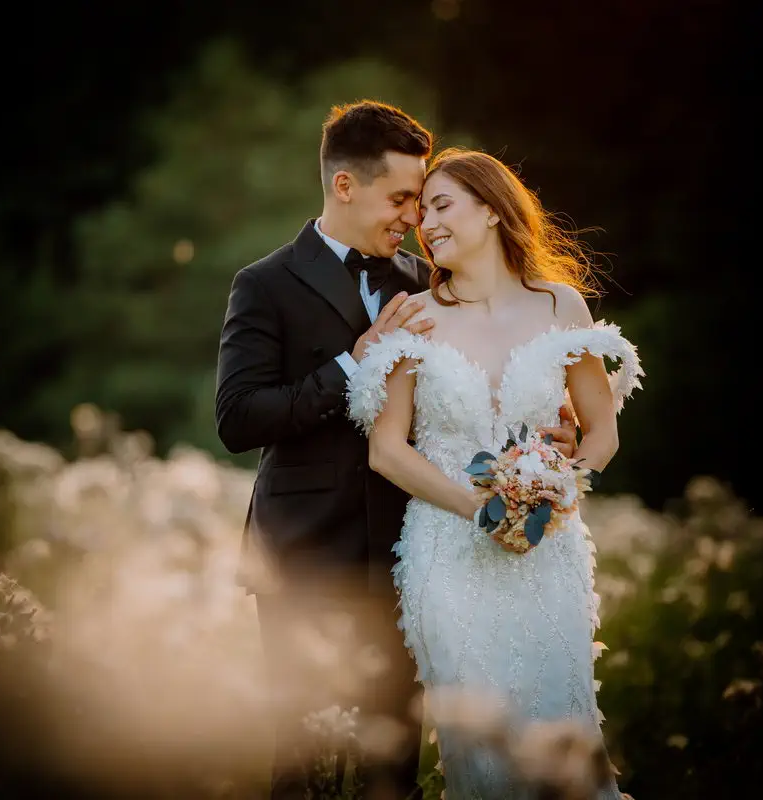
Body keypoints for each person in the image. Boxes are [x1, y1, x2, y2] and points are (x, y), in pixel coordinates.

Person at [215, 103, 579, 799]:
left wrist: (549, 434)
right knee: (303, 763)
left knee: (394, 768)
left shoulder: (426, 282)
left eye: (421, 201)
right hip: (303, 557)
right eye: (402, 198)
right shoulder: (264, 283)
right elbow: (236, 419)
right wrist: (352, 364)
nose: (415, 217)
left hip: (410, 557)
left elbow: (483, 388)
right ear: (345, 186)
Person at [346, 147, 644, 799]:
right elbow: (386, 450)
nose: (427, 223)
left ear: (493, 210)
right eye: (421, 213)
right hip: (448, 557)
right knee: (481, 750)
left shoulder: (560, 306)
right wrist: (477, 507)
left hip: (548, 551)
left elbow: (602, 432)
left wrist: (558, 485)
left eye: (442, 205)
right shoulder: (415, 317)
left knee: (565, 730)